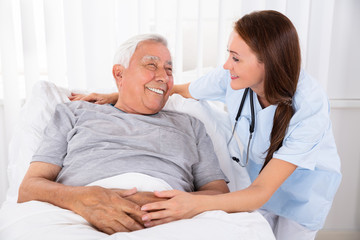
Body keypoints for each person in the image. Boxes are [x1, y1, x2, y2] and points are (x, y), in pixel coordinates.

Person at [76, 10, 342, 240]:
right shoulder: (231, 76)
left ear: (268, 62)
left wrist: (194, 204)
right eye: (229, 54)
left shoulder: (309, 107)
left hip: (300, 196)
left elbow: (260, 193)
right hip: (255, 186)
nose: (227, 65)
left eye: (236, 58)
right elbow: (177, 90)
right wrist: (117, 96)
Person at [17, 33, 229, 235]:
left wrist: (172, 203)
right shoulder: (74, 112)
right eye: (151, 65)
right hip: (78, 214)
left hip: (170, 218)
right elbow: (29, 188)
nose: (163, 77)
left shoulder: (190, 125)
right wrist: (81, 198)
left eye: (169, 70)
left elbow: (219, 194)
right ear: (120, 74)